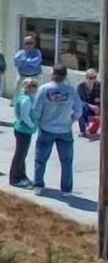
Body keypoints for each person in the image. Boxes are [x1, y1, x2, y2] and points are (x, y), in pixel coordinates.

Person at [31, 64, 83, 197]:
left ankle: (38, 185)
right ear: (65, 76)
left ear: (52, 73)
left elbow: (36, 111)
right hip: (65, 130)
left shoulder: (43, 89)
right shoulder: (70, 91)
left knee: (41, 159)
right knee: (66, 161)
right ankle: (66, 189)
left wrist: (39, 121)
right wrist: (70, 121)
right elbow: (78, 110)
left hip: (46, 128)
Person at [9, 78, 38, 188]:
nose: (35, 88)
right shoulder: (26, 100)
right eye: (33, 86)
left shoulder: (23, 97)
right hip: (23, 130)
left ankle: (22, 176)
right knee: (20, 155)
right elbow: (25, 116)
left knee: (22, 154)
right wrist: (32, 125)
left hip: (21, 129)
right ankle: (15, 178)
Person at [77, 68, 101, 139]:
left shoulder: (98, 85)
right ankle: (83, 129)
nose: (93, 80)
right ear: (86, 78)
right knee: (80, 107)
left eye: (95, 77)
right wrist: (91, 106)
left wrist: (98, 107)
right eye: (91, 78)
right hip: (86, 107)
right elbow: (78, 100)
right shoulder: (81, 86)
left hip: (97, 107)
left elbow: (102, 98)